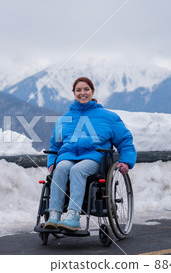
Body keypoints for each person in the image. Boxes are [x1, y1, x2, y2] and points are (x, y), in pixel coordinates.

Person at [45, 77, 136, 231]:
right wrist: (52, 161)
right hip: (68, 156)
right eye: (78, 90)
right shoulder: (63, 119)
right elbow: (55, 144)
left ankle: (73, 216)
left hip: (93, 157)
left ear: (92, 92)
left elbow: (125, 140)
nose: (83, 93)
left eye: (86, 89)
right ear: (73, 93)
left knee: (77, 170)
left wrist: (126, 161)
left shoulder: (108, 117)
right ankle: (54, 214)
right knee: (60, 169)